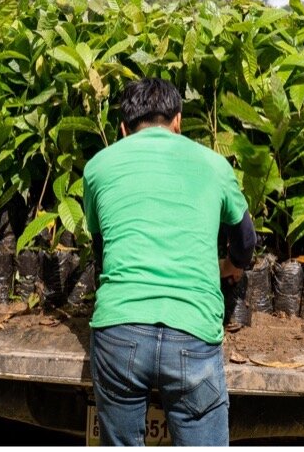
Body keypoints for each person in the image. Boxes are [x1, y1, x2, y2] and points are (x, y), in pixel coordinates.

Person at [83, 78, 256, 446]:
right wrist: (232, 265)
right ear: (178, 121)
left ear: (123, 129)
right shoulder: (214, 165)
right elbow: (245, 240)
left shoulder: (98, 168)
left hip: (119, 332)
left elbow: (101, 251)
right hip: (192, 333)